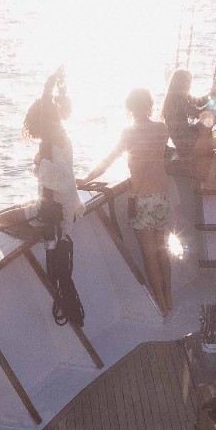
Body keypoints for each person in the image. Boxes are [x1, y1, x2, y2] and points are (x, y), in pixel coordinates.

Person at [84, 87, 174, 308]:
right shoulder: (162, 129)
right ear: (150, 105)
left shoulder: (128, 133)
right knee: (162, 250)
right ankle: (169, 298)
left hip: (141, 198)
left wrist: (86, 179)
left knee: (149, 254)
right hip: (161, 195)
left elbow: (110, 159)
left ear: (129, 108)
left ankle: (160, 304)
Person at [24, 69, 78, 231]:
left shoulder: (50, 141)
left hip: (56, 210)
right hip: (64, 201)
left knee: (0, 220)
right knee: (9, 212)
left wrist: (40, 161)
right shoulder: (62, 136)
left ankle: (38, 241)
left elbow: (62, 173)